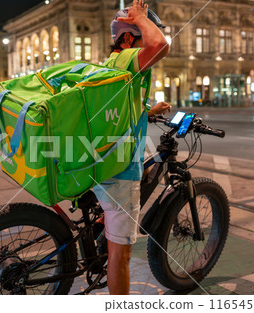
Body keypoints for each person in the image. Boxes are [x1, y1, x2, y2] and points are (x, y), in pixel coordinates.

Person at [92, 0, 171, 295]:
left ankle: (105, 215)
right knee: (120, 256)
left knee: (111, 221)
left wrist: (148, 110)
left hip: (100, 160)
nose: (144, 44)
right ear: (127, 38)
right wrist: (139, 17)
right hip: (121, 168)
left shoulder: (111, 64)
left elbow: (121, 108)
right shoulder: (127, 58)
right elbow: (161, 45)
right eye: (139, 35)